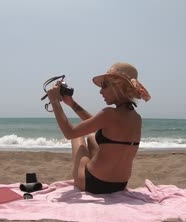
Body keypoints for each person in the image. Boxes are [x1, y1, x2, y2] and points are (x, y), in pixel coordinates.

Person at [47, 62, 151, 194]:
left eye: (105, 86)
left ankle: (87, 169)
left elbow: (69, 133)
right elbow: (97, 124)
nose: (101, 91)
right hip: (120, 184)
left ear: (118, 87)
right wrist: (72, 104)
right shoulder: (136, 118)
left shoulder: (108, 113)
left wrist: (55, 101)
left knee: (78, 136)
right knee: (91, 137)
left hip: (93, 183)